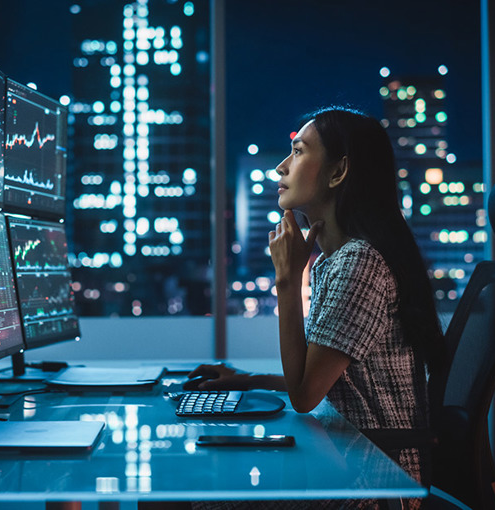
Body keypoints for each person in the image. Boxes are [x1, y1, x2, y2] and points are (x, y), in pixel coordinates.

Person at [189, 105, 445, 510]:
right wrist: (246, 379)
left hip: (374, 483)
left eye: (298, 151)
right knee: (197, 482)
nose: (280, 167)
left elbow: (305, 394)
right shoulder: (336, 260)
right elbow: (324, 382)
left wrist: (288, 280)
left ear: (338, 171)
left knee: (186, 494)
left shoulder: (360, 262)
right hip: (346, 459)